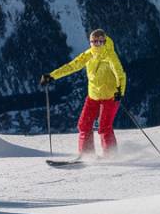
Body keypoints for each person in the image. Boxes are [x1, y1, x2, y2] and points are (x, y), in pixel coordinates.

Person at [40, 29, 126, 157]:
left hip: (111, 97)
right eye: (94, 42)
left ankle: (111, 156)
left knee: (104, 127)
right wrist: (51, 76)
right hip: (93, 96)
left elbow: (120, 75)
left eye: (100, 41)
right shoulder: (88, 55)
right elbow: (72, 66)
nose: (97, 44)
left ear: (104, 41)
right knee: (84, 125)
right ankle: (86, 154)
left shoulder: (110, 56)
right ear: (90, 42)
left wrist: (120, 91)